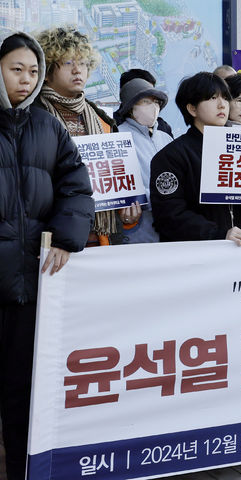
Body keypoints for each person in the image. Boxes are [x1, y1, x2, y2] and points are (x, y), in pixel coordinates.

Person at [0, 31, 94, 480]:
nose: (26, 79)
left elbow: (77, 184)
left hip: (28, 287)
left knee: (22, 394)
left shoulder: (46, 125)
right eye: (16, 68)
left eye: (33, 71)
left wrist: (64, 236)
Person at [34, 26, 140, 246]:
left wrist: (127, 216)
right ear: (47, 69)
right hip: (49, 242)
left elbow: (115, 184)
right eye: (68, 63)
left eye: (82, 63)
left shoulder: (102, 120)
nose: (78, 71)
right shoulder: (32, 118)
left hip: (101, 244)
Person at [150, 72, 241, 244]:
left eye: (225, 98)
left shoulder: (239, 152)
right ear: (192, 108)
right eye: (213, 98)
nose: (222, 105)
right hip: (197, 259)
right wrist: (219, 234)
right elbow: (169, 215)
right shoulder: (171, 157)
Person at [115, 78, 173, 243]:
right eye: (146, 101)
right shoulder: (117, 136)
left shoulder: (166, 138)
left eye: (156, 102)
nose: (153, 107)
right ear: (130, 107)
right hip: (138, 225)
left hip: (170, 223)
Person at [116, 68, 173, 138]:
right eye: (145, 100)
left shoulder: (162, 127)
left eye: (155, 100)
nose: (153, 106)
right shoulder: (112, 125)